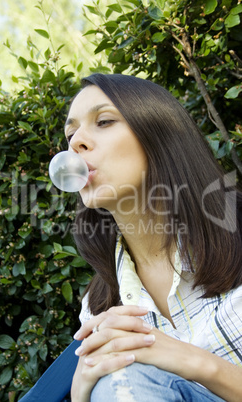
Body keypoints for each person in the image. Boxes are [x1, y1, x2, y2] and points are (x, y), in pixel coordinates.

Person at [64, 73, 242, 402]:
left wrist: (192, 361)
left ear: (160, 134)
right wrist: (80, 394)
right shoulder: (99, 306)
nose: (75, 143)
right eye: (71, 133)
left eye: (103, 121)